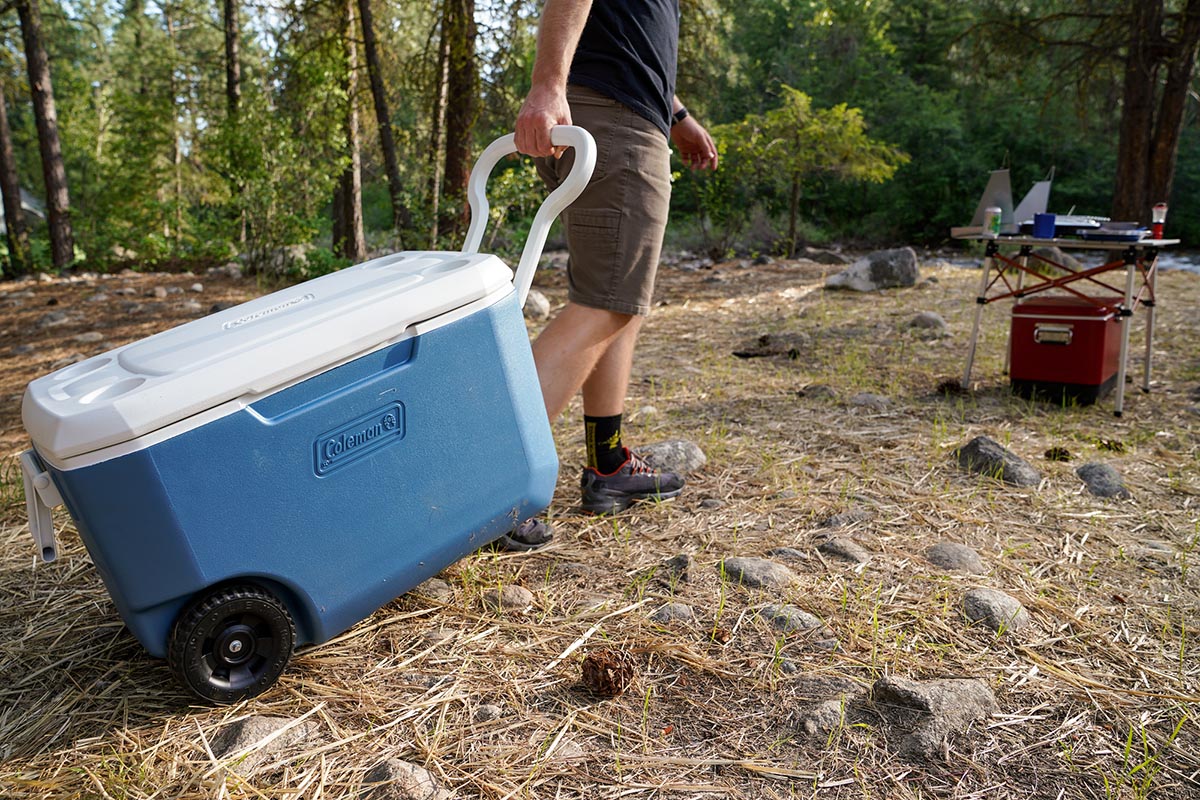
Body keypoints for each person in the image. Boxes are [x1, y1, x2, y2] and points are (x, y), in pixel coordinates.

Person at [496, 0, 718, 551]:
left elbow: (633, 35)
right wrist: (547, 86)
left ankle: (608, 463)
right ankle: (482, 486)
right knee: (605, 304)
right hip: (614, 117)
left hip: (624, 112)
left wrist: (677, 116)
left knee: (619, 299)